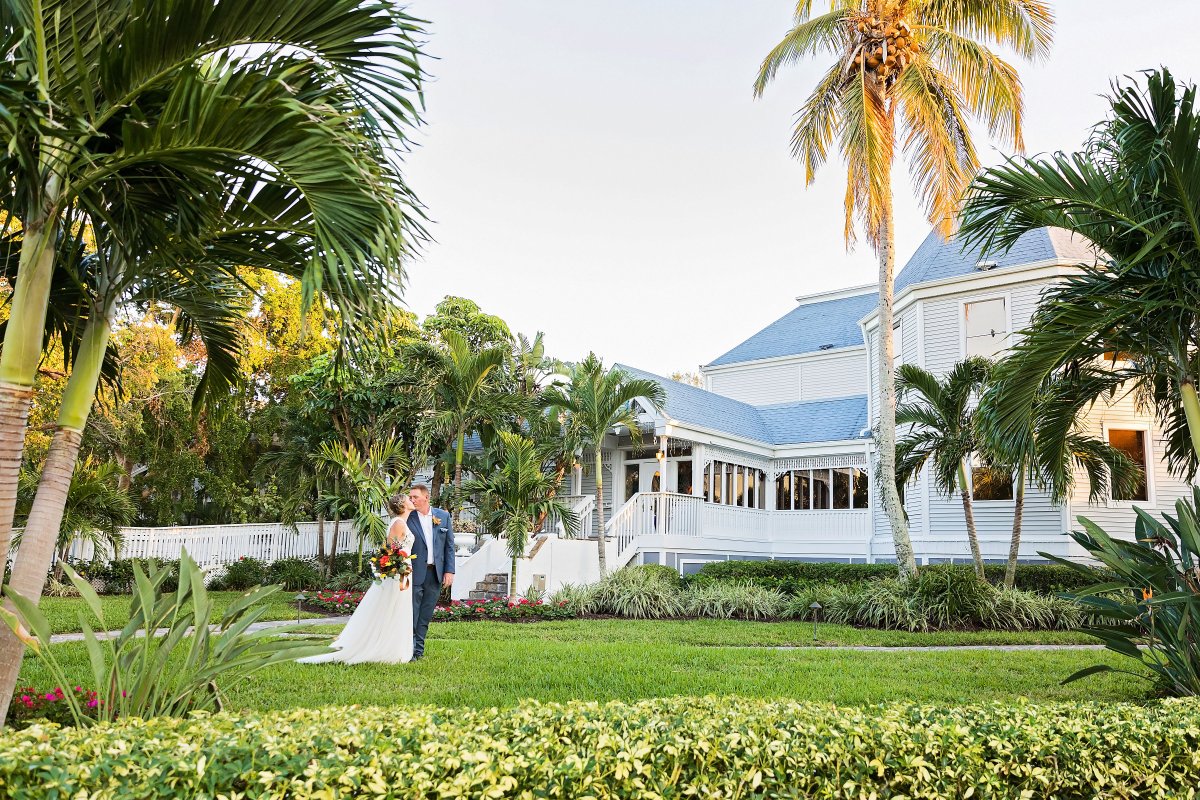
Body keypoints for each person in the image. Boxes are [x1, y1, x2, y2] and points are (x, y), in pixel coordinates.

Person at [297, 494, 416, 664]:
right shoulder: (398, 523)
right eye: (409, 499)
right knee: (390, 607)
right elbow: (391, 549)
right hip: (398, 573)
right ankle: (383, 648)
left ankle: (392, 646)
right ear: (402, 505)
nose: (412, 500)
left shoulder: (402, 522)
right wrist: (399, 566)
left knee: (397, 608)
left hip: (404, 571)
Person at [404, 484, 455, 660]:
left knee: (425, 614)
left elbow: (449, 546)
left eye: (415, 497)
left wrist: (449, 571)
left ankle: (419, 650)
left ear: (426, 497)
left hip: (435, 574)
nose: (412, 500)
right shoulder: (407, 517)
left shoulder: (443, 516)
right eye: (410, 497)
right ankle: (409, 650)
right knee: (413, 613)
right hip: (413, 573)